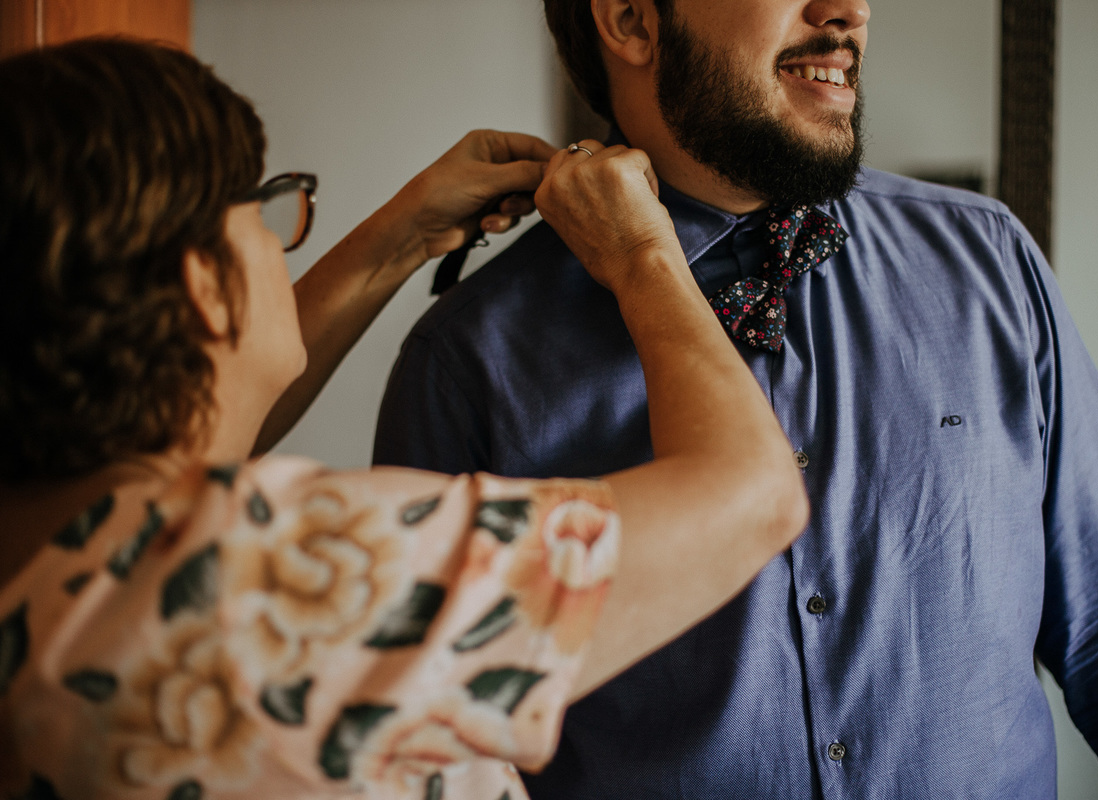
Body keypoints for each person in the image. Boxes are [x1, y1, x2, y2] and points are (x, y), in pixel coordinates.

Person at [372, 0, 1098, 797]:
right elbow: (425, 752)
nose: (851, 11)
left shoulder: (990, 265)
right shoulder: (469, 361)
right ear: (631, 19)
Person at [0, 38, 810, 800]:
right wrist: (641, 256)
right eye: (264, 212)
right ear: (205, 286)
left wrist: (400, 238)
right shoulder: (260, 586)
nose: (280, 246)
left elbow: (196, 428)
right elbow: (753, 497)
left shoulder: (48, 562)